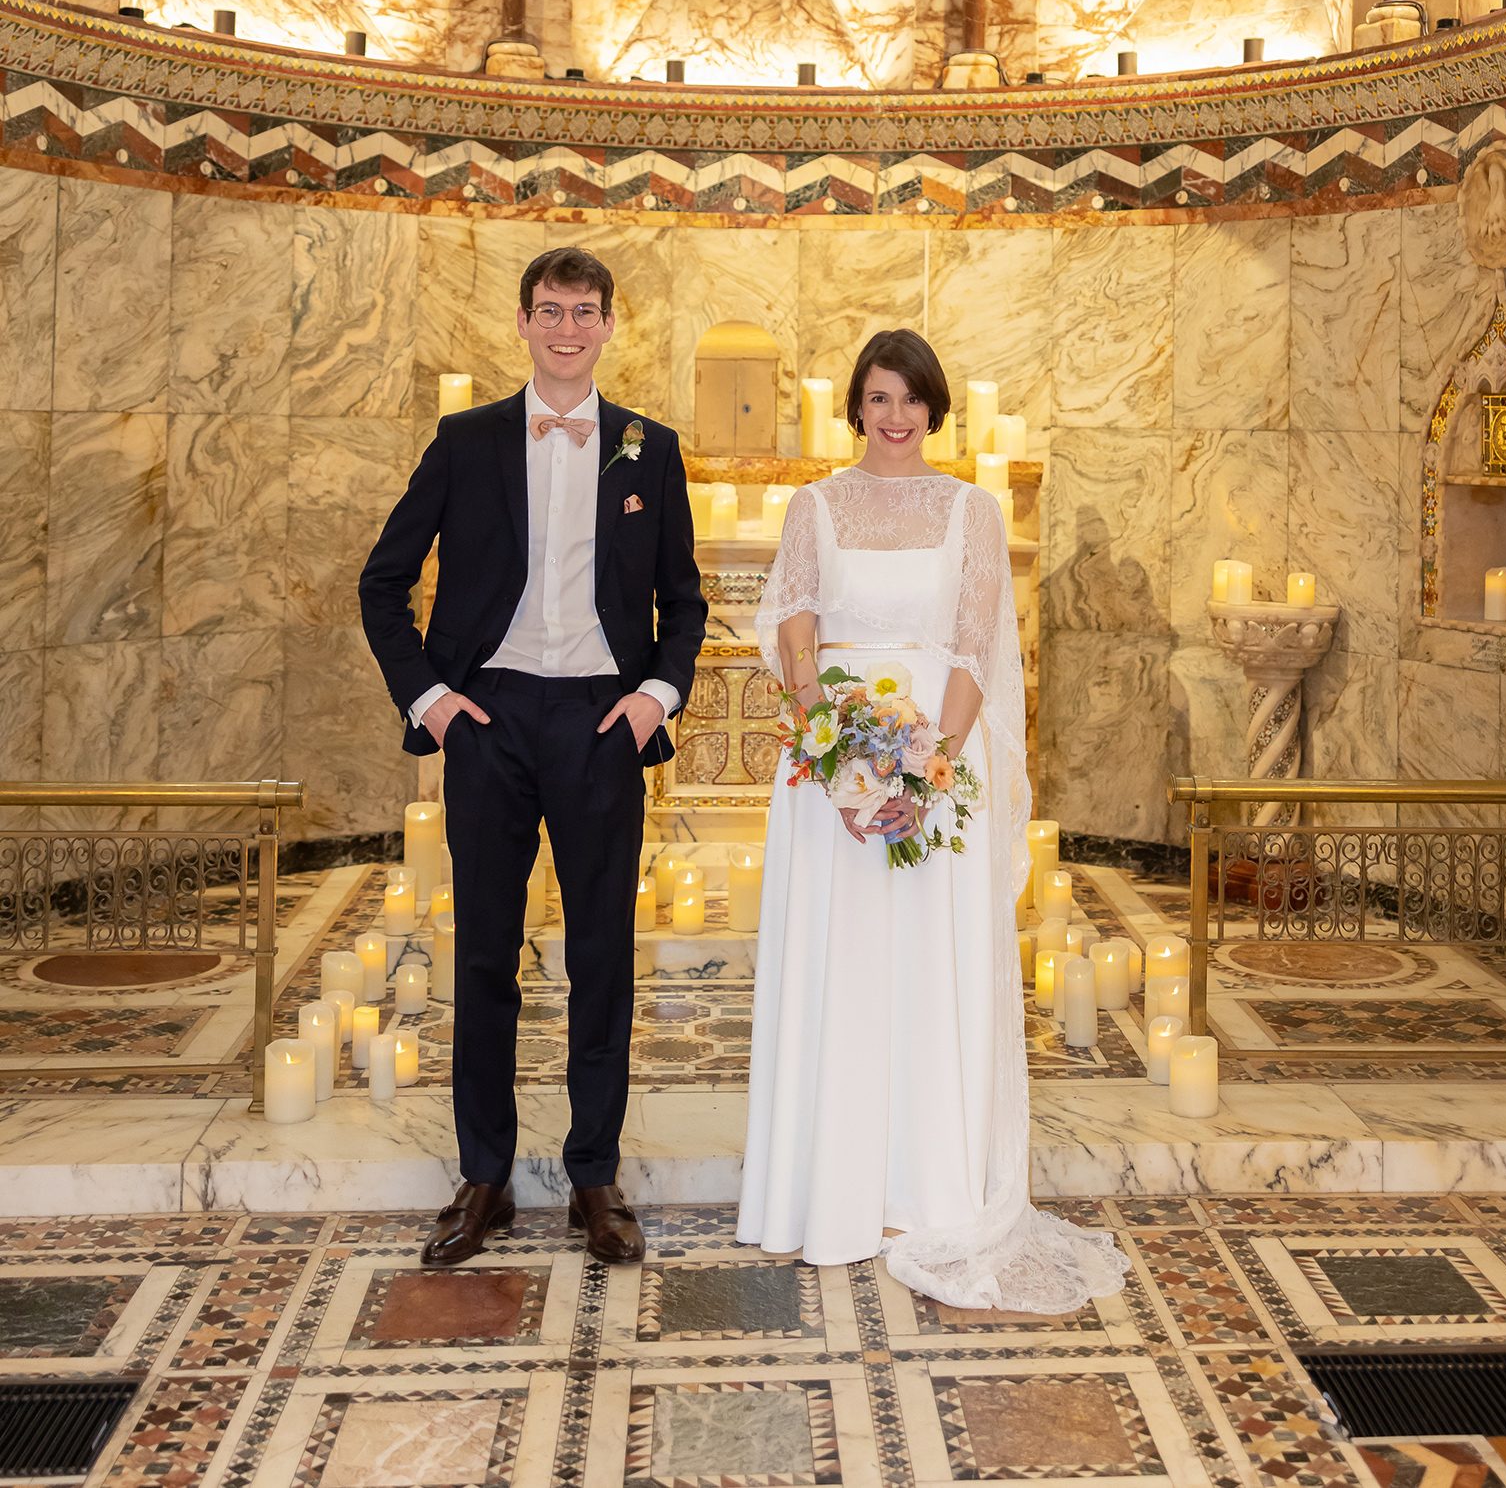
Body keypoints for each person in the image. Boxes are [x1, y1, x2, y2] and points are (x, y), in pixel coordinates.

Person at [737, 329, 1127, 1311]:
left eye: (909, 397)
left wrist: (935, 760)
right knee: (841, 960)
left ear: (932, 404)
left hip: (935, 755)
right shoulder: (814, 503)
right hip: (832, 759)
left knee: (922, 965)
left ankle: (927, 1190)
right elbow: (793, 619)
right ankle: (821, 1196)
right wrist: (824, 737)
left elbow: (972, 644)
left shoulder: (971, 511)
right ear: (856, 407)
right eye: (876, 397)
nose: (894, 414)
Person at [359, 244, 706, 1270]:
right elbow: (383, 582)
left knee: (601, 954)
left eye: (584, 311)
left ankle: (594, 1176)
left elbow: (683, 599)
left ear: (609, 325)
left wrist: (655, 695)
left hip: (604, 722)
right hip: (490, 720)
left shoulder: (650, 446)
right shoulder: (464, 442)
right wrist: (433, 699)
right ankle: (485, 1175)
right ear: (521, 321)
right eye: (549, 309)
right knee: (483, 954)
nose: (566, 328)